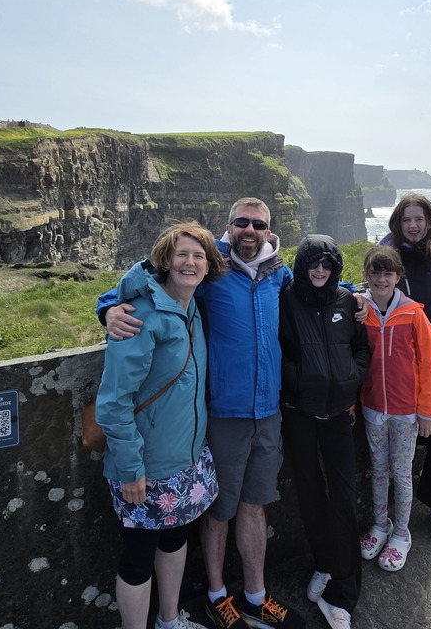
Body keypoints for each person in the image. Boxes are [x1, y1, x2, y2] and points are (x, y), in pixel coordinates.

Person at [97, 199, 305, 629]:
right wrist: (107, 309)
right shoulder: (211, 276)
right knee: (214, 513)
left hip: (255, 419)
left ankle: (251, 597)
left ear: (270, 230)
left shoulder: (279, 275)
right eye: (241, 222)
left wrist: (359, 297)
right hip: (211, 423)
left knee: (246, 508)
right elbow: (136, 290)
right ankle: (214, 596)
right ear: (229, 228)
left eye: (259, 223)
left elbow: (323, 285)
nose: (250, 229)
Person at [95, 222, 226, 629]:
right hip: (144, 466)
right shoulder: (139, 317)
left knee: (174, 540)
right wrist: (131, 467)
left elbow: (256, 248)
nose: (190, 262)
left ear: (207, 267)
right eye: (182, 254)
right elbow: (114, 402)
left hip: (184, 460)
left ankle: (170, 621)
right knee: (138, 556)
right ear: (165, 261)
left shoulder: (191, 307)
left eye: (199, 256)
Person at [358, 193, 431, 549]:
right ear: (397, 222)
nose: (413, 226)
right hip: (391, 373)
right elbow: (373, 285)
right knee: (390, 456)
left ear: (430, 220)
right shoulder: (391, 256)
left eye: (419, 219)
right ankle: (383, 521)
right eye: (406, 220)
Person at [279, 235, 370, 629]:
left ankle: (343, 595)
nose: (320, 270)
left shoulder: (349, 303)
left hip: (338, 416)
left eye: (328, 264)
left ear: (335, 269)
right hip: (299, 414)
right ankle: (324, 564)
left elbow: (362, 350)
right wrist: (298, 379)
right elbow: (277, 350)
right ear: (302, 265)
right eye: (313, 263)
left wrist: (353, 378)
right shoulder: (285, 299)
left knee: (343, 499)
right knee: (310, 496)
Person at [358, 245, 431, 571]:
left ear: (397, 276)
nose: (381, 278)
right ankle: (381, 525)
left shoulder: (414, 314)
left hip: (407, 412)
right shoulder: (360, 311)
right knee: (378, 471)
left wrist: (427, 412)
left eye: (387, 272)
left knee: (402, 474)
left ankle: (402, 533)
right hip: (373, 408)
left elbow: (429, 364)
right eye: (374, 272)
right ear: (366, 275)